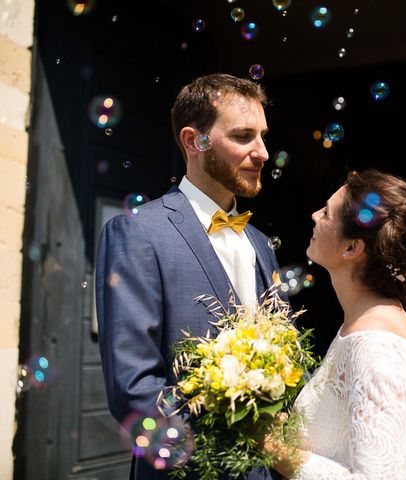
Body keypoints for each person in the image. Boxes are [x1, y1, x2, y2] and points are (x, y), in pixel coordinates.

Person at [95, 73, 283, 480]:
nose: (263, 152)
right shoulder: (138, 232)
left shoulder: (261, 244)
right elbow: (134, 388)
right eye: (244, 136)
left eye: (263, 136)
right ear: (193, 141)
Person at [262, 169, 406, 479]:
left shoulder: (377, 341)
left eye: (327, 213)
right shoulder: (363, 322)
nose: (314, 215)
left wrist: (272, 448)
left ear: (351, 248)